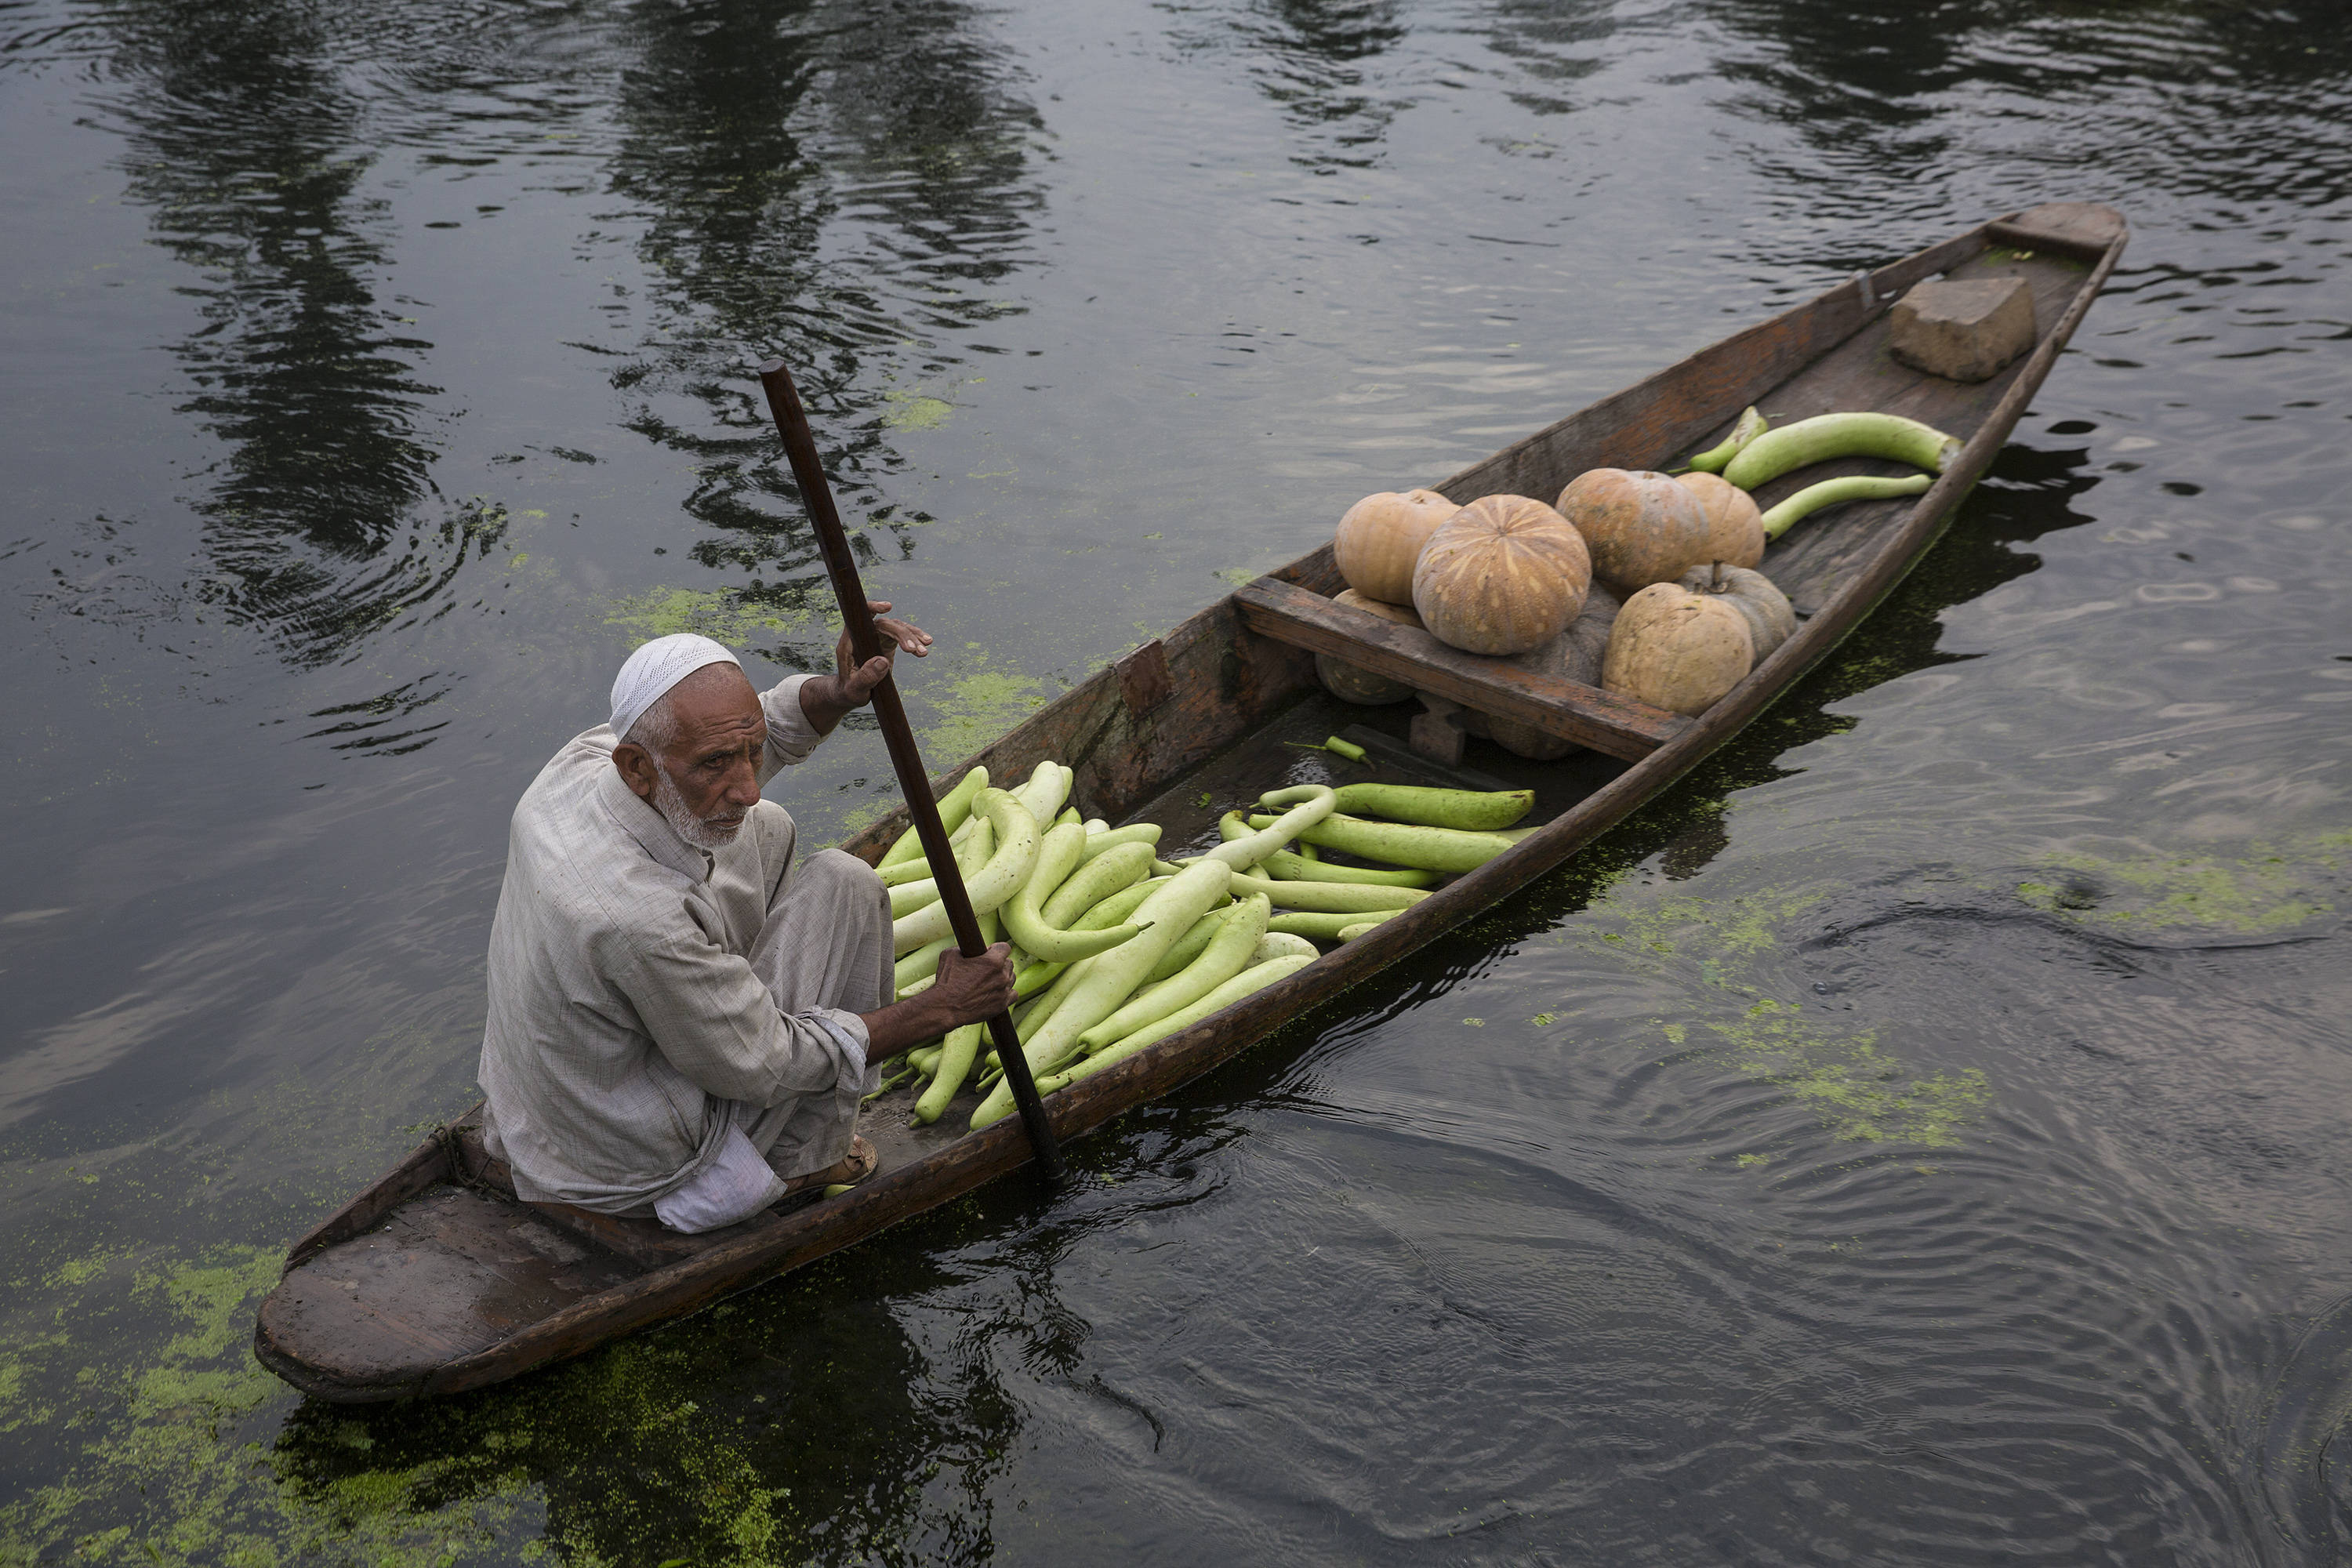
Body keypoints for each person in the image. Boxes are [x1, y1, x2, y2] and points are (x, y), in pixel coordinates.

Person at [475, 606, 1015, 1234]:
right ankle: (802, 1157)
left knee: (765, 827)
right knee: (846, 882)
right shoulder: (637, 918)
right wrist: (942, 1008)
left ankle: (728, 1018)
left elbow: (741, 732)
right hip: (630, 1156)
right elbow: (768, 1061)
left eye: (750, 754)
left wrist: (836, 694)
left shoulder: (581, 766)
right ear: (637, 768)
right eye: (716, 766)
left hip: (551, 1108)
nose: (749, 784)